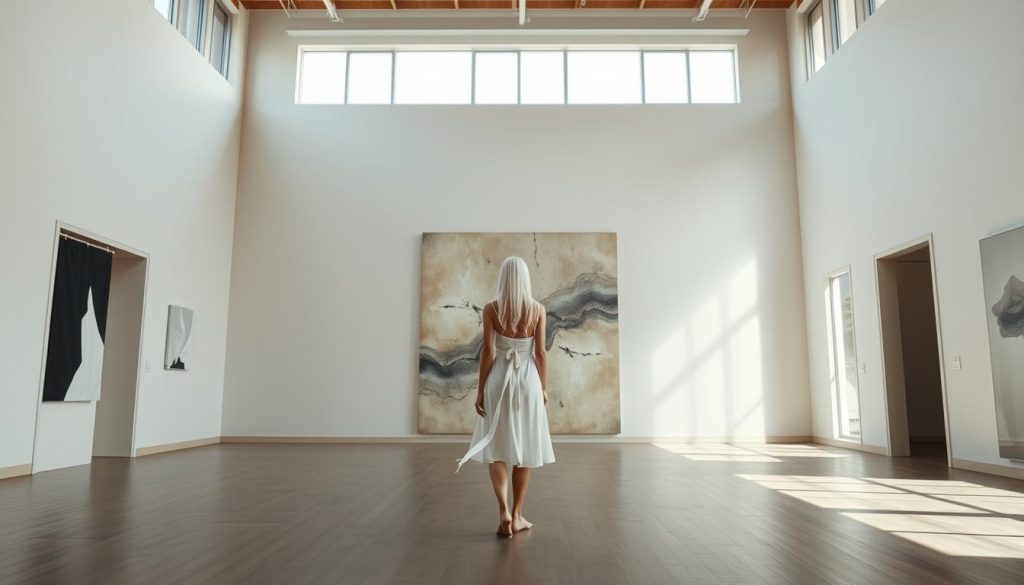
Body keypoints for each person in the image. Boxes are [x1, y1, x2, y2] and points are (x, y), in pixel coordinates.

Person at [454, 256, 556, 538]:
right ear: (524, 278)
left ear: (503, 278)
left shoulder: (491, 309)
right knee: (525, 449)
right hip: (528, 381)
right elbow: (540, 353)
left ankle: (504, 512)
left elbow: (488, 353)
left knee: (496, 447)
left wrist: (480, 389)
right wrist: (544, 388)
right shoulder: (537, 309)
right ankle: (519, 514)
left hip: (498, 379)